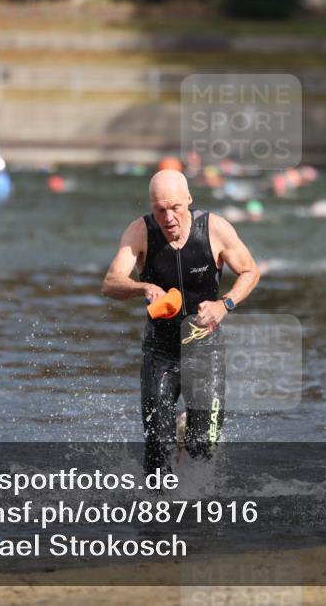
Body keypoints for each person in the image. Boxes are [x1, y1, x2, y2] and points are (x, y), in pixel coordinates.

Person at [102, 170, 260, 475]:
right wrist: (142, 287)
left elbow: (250, 271)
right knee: (156, 451)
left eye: (175, 207)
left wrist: (224, 304)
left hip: (206, 350)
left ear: (189, 199)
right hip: (160, 351)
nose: (168, 217)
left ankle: (188, 436)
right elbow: (111, 283)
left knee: (204, 446)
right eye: (160, 210)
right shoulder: (140, 231)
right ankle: (157, 518)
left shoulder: (214, 229)